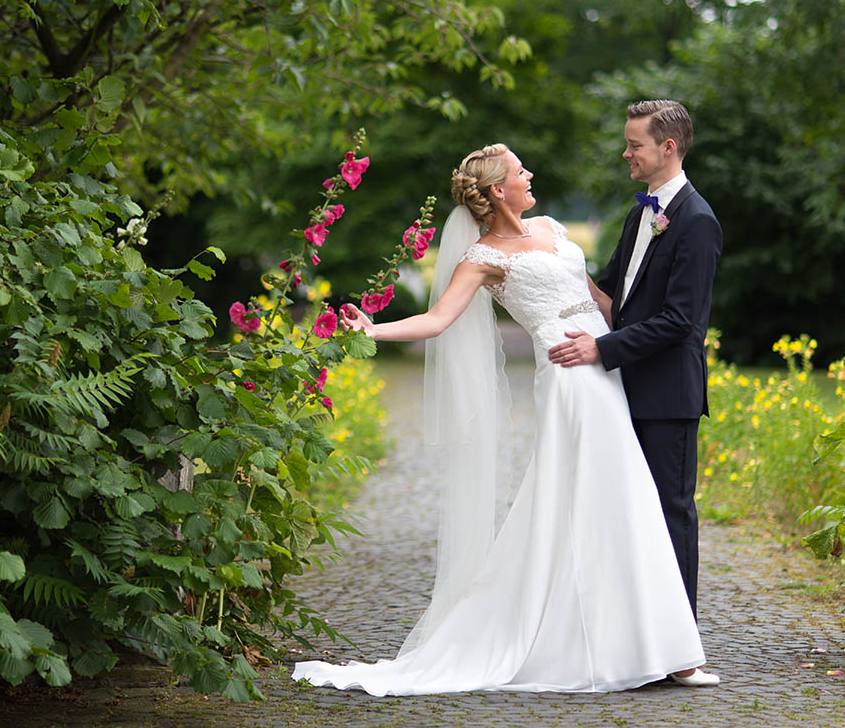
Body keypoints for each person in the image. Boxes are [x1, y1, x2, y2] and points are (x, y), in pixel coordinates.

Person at [291, 142, 719, 696]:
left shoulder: (552, 229)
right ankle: (642, 650)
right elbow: (437, 318)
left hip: (606, 366)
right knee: (610, 498)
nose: (530, 174)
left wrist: (644, 337)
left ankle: (651, 644)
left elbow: (600, 302)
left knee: (623, 499)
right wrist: (372, 330)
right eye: (521, 171)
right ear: (498, 190)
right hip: (569, 378)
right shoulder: (484, 258)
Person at [549, 100, 722, 621]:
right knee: (627, 514)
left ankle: (679, 639)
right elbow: (614, 302)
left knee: (671, 514)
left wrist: (600, 349)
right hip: (621, 391)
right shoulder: (639, 212)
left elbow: (680, 322)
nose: (626, 153)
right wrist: (554, 266)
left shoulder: (697, 221)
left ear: (668, 148)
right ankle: (636, 634)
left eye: (634, 145)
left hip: (668, 396)